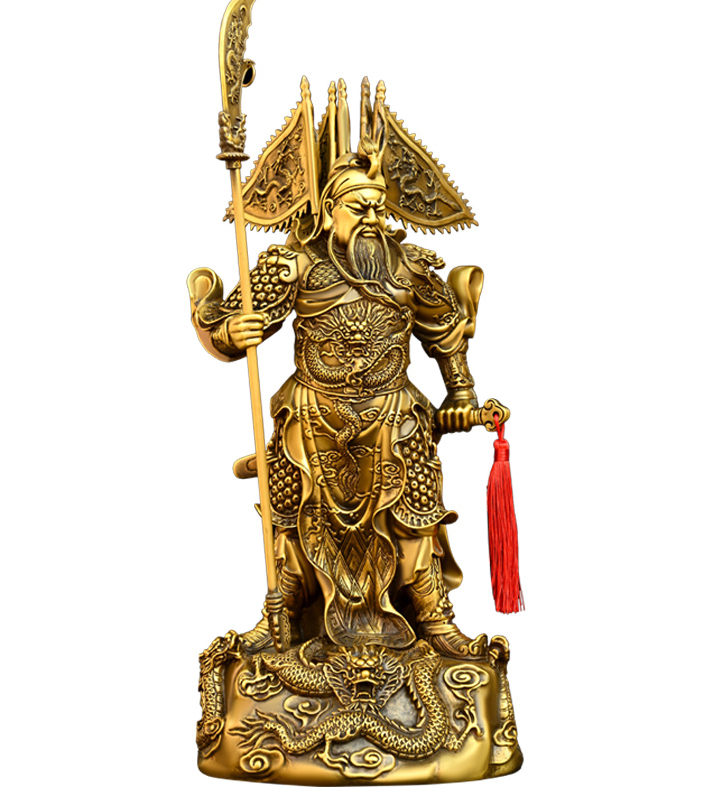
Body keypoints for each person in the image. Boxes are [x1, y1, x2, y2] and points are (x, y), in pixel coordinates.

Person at [191, 137, 487, 660]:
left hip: (393, 413)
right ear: (329, 211)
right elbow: (230, 323)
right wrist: (232, 332)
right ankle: (281, 614)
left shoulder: (409, 267)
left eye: (378, 206)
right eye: (357, 206)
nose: (371, 217)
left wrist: (461, 391)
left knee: (414, 513)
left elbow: (445, 330)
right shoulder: (294, 264)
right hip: (313, 413)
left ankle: (434, 617)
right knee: (290, 514)